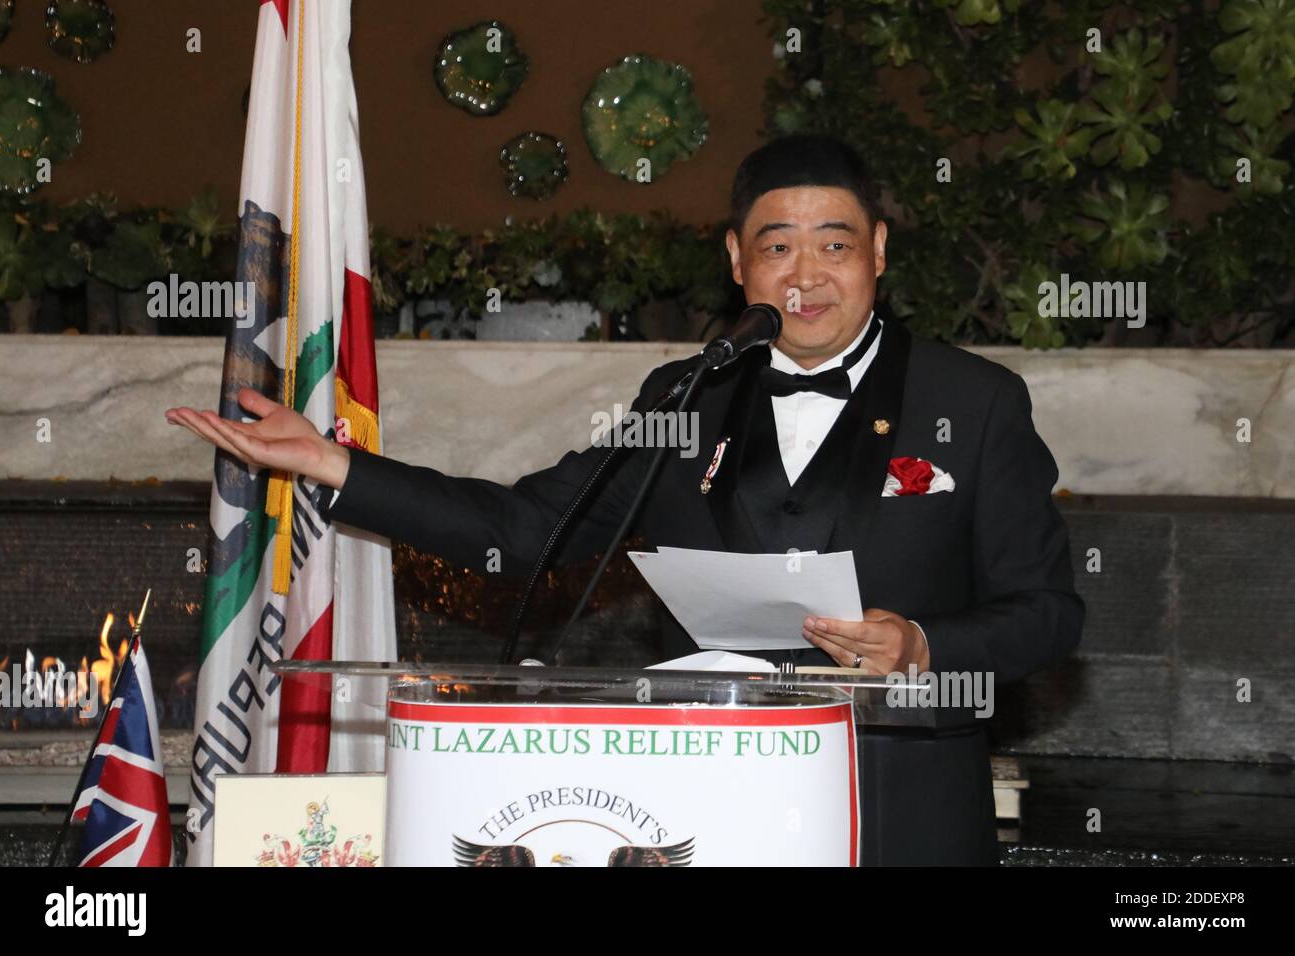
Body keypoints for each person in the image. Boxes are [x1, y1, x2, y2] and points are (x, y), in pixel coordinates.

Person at [168, 133, 1084, 865]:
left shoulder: (975, 400)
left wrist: (925, 645)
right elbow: (526, 530)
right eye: (777, 246)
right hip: (709, 814)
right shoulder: (685, 398)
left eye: (834, 244)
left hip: (905, 818)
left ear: (879, 252)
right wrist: (339, 467)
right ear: (737, 261)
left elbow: (1048, 616)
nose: (807, 274)